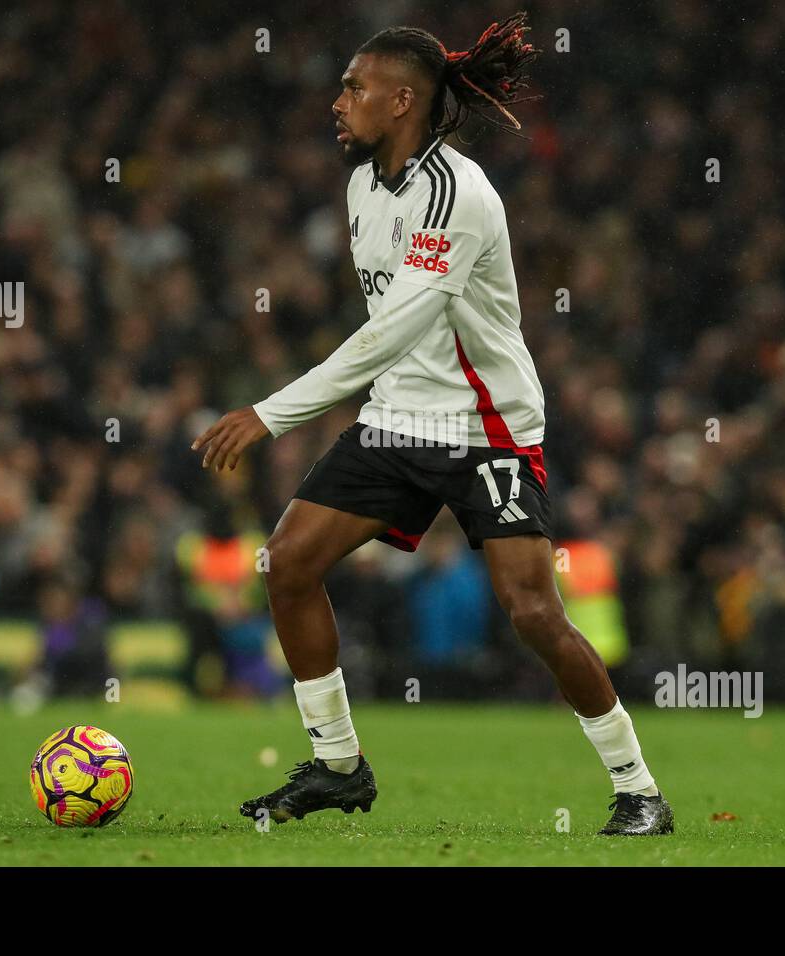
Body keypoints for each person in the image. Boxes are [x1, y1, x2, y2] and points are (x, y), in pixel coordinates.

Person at [192, 13, 671, 836]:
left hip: (487, 427)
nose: (337, 101)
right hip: (398, 421)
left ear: (402, 99)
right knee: (287, 563)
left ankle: (639, 790)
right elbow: (391, 341)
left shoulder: (459, 193)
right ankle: (339, 765)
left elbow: (394, 330)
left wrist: (271, 414)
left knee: (532, 613)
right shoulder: (359, 187)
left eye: (354, 87)